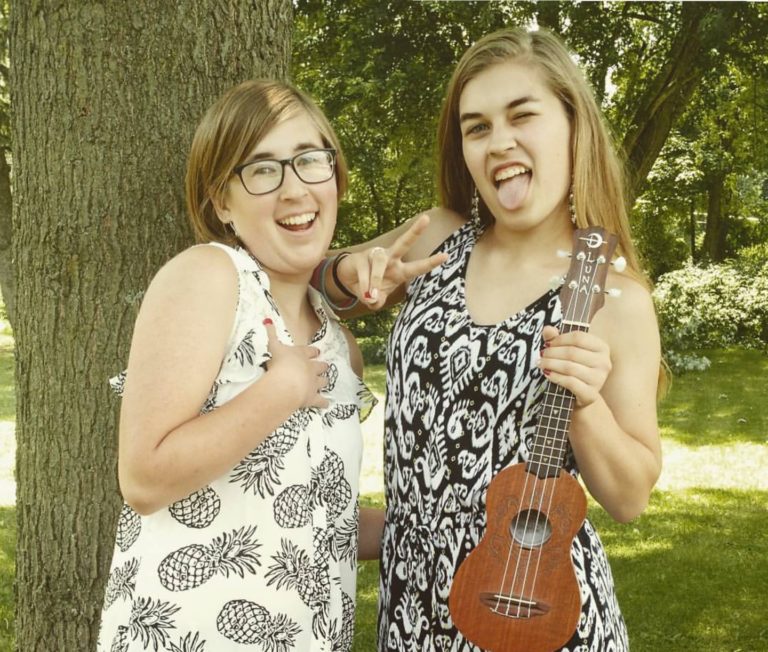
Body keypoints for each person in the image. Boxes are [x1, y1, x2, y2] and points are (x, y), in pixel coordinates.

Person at [316, 28, 663, 651]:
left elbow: (631, 494)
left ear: (572, 126)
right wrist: (350, 274)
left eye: (521, 115)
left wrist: (588, 407)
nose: (499, 141)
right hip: (413, 607)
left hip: (538, 611)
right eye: (476, 127)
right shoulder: (436, 241)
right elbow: (309, 283)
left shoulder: (614, 296)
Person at [97, 79, 382, 652]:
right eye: (261, 169)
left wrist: (438, 521)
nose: (294, 189)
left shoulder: (339, 345)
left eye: (309, 161)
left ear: (335, 175)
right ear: (221, 201)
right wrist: (280, 390)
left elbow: (316, 523)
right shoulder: (210, 276)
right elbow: (144, 478)